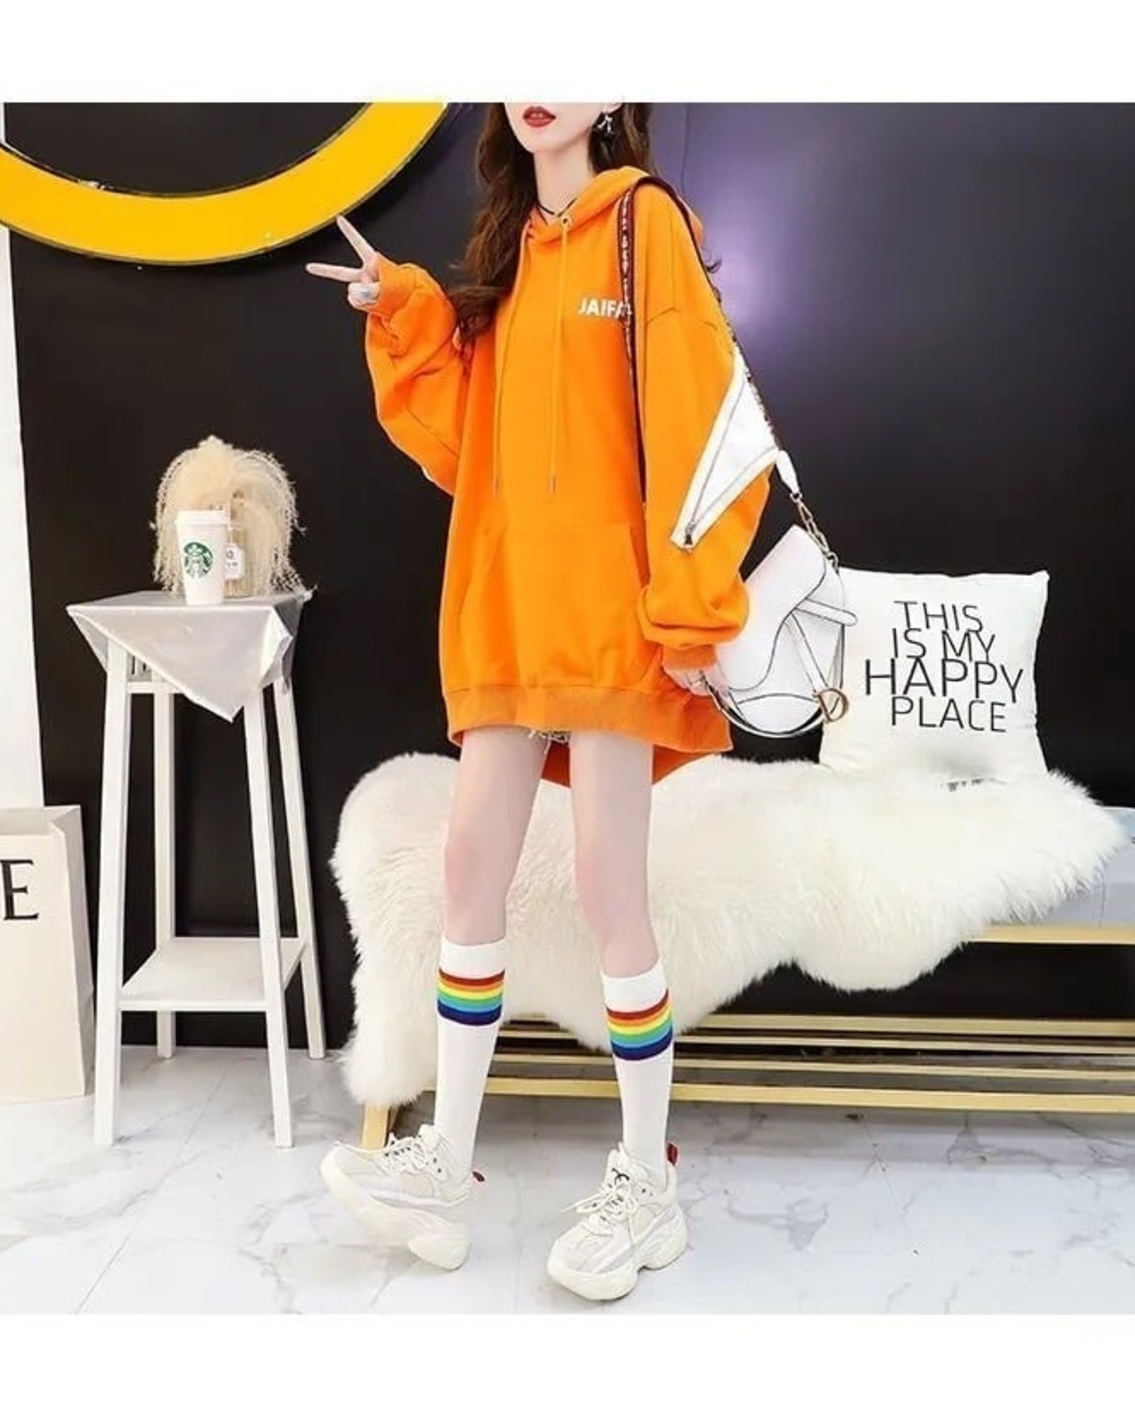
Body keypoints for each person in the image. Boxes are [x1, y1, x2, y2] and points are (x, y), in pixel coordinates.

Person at [306, 102, 770, 1302]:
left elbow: (702, 417)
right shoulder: (513, 251)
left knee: (612, 887)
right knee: (470, 868)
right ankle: (443, 1173)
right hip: (509, 601)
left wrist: (688, 607)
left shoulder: (644, 226)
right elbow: (477, 440)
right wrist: (412, 313)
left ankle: (645, 1185)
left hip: (615, 615)